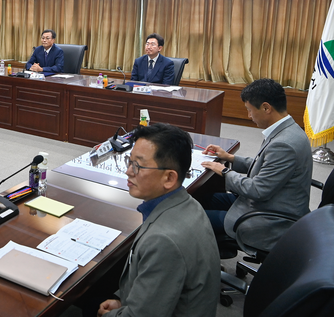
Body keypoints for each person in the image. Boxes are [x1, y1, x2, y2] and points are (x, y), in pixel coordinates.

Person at [97, 123, 220, 317]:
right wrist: (122, 300)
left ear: (169, 178)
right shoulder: (189, 203)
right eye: (129, 161)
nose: (128, 171)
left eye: (138, 165)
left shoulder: (163, 240)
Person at [201, 78, 313, 252]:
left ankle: (206, 259)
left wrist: (224, 171)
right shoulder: (289, 129)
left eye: (249, 110)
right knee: (202, 198)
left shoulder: (284, 144)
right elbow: (266, 166)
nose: (249, 116)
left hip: (271, 218)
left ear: (266, 108)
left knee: (193, 216)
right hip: (268, 203)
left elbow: (257, 190)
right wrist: (230, 158)